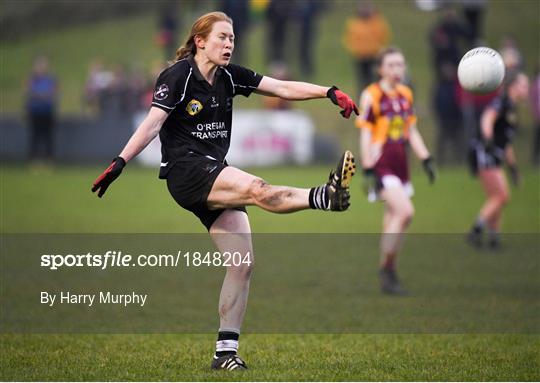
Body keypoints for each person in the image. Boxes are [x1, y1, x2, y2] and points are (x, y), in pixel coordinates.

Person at [91, 11, 358, 371]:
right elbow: (153, 122)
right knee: (257, 189)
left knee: (242, 264)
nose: (229, 44)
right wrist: (120, 162)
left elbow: (280, 87)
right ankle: (324, 197)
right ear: (200, 41)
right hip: (187, 172)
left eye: (232, 38)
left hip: (213, 174)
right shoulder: (178, 76)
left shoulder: (230, 76)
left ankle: (225, 353)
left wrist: (328, 92)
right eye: (222, 37)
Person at [356, 48, 436, 295]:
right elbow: (366, 132)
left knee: (392, 219)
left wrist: (425, 157)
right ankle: (387, 270)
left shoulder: (405, 94)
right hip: (382, 163)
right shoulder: (372, 95)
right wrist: (368, 166)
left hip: (401, 163)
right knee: (405, 212)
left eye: (400, 65)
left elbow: (410, 131)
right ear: (380, 69)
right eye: (391, 65)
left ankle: (388, 273)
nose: (397, 70)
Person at [467, 71, 530, 249]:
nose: (526, 89)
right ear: (513, 86)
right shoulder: (502, 101)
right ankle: (475, 231)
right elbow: (487, 117)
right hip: (485, 152)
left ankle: (494, 239)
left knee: (496, 197)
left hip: (494, 155)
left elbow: (506, 144)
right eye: (523, 85)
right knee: (501, 196)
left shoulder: (512, 109)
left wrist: (513, 168)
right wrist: (487, 139)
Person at [343, 1, 391, 95]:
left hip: (374, 57)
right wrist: (356, 50)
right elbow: (349, 39)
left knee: (375, 80)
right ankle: (363, 99)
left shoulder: (378, 22)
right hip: (360, 57)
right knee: (362, 81)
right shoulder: (354, 23)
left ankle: (378, 98)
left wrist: (379, 50)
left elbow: (384, 37)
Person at [26, 55, 58, 163]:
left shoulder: (50, 79)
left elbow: (53, 92)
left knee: (48, 137)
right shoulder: (32, 80)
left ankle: (49, 160)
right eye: (39, 65)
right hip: (35, 112)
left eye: (43, 65)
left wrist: (41, 95)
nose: (41, 67)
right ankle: (34, 160)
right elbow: (30, 92)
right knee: (35, 136)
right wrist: (42, 95)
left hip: (47, 111)